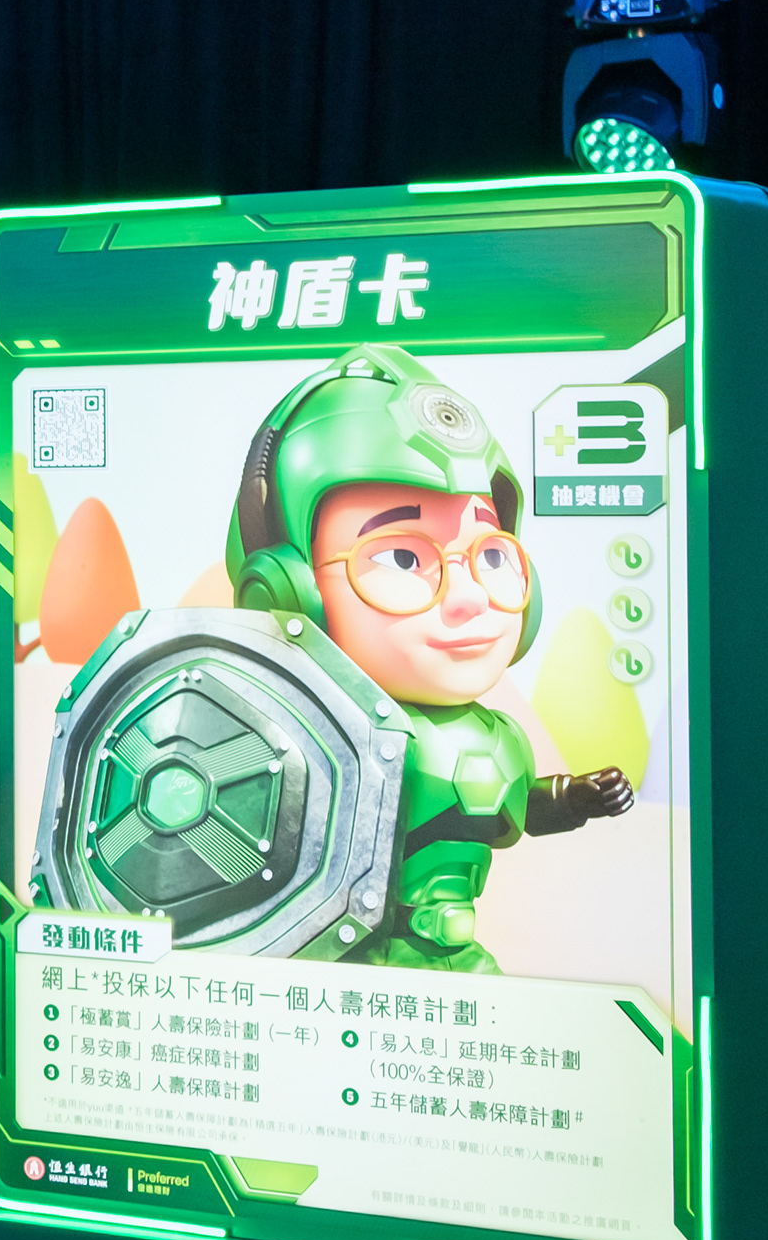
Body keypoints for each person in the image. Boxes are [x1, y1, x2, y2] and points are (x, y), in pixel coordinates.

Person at [226, 342, 633, 971]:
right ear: (285, 595)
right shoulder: (304, 739)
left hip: (456, 958)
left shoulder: (498, 735)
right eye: (403, 557)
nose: (471, 597)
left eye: (491, 555)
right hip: (345, 966)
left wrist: (573, 799)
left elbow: (516, 808)